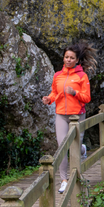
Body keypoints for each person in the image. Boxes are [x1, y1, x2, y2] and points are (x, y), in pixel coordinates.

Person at [42, 41, 97, 194]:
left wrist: (74, 93)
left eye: (72, 58)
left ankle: (82, 149)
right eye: (66, 57)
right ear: (63, 58)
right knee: (62, 147)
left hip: (77, 115)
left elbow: (87, 98)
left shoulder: (82, 76)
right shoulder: (57, 76)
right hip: (61, 114)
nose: (68, 60)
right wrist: (49, 99)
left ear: (77, 60)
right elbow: (54, 93)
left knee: (75, 147)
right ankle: (64, 180)